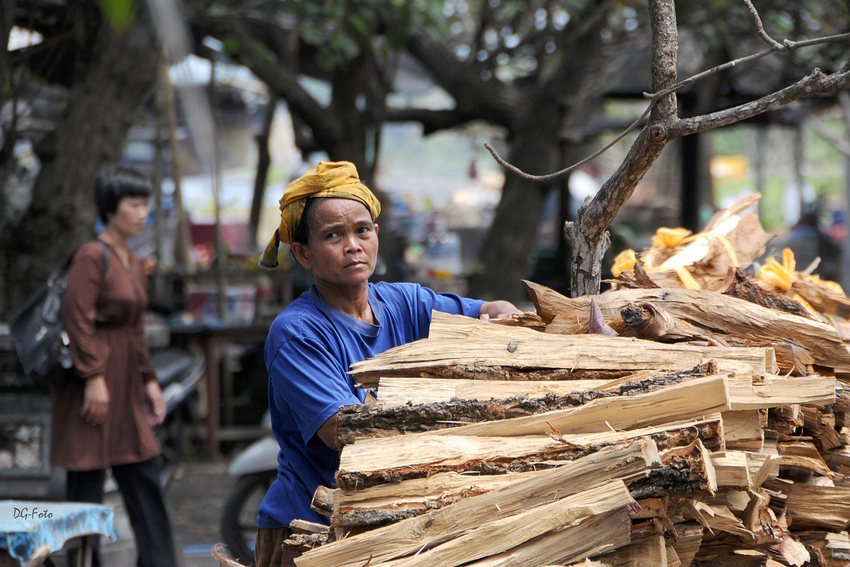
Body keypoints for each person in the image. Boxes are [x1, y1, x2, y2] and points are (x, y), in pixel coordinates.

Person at [255, 161, 521, 567]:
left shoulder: (404, 302)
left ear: (376, 235)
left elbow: (493, 308)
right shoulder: (297, 332)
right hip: (311, 530)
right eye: (333, 235)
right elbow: (344, 431)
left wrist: (503, 325)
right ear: (302, 254)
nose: (353, 245)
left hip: (391, 523)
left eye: (362, 230)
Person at [51, 166, 178, 567]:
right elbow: (77, 319)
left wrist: (149, 380)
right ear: (111, 207)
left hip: (126, 384)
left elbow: (135, 328)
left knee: (144, 475)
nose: (143, 213)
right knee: (85, 487)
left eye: (146, 204)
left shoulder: (135, 260)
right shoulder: (92, 254)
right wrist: (92, 378)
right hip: (94, 382)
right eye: (134, 204)